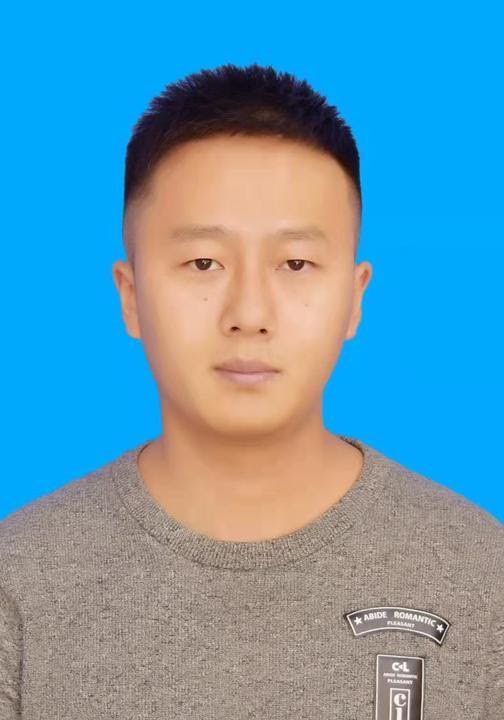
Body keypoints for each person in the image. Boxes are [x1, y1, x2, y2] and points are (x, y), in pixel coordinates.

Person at [0, 62, 502, 719]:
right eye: (203, 262)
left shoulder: (481, 575)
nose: (249, 313)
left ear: (354, 298)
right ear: (131, 296)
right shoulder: (20, 581)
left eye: (295, 263)